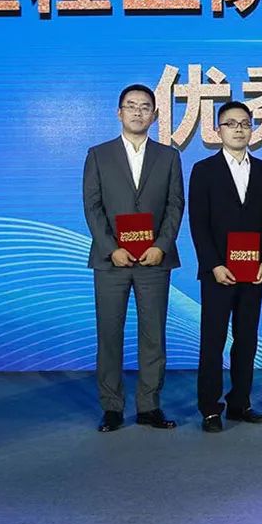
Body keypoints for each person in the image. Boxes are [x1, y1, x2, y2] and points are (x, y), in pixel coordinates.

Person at [83, 83, 185, 433]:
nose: (138, 112)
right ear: (119, 113)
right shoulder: (99, 154)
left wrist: (162, 245)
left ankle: (149, 405)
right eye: (131, 106)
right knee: (109, 334)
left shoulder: (169, 156)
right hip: (111, 260)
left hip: (155, 260)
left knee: (153, 335)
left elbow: (175, 204)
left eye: (145, 107)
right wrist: (112, 248)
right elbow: (92, 206)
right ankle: (112, 407)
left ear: (154, 115)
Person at [188, 101, 262, 433]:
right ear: (218, 130)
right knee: (212, 340)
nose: (239, 129)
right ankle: (210, 408)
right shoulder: (203, 170)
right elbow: (199, 223)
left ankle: (240, 403)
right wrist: (213, 265)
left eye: (245, 124)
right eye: (231, 124)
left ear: (252, 130)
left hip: (253, 271)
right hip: (218, 272)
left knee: (247, 338)